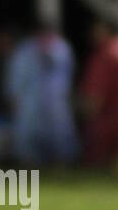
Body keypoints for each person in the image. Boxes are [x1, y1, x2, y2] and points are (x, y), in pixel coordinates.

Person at [5, 20, 79, 166]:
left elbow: (68, 75)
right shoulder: (24, 51)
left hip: (56, 101)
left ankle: (61, 165)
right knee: (28, 135)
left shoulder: (62, 49)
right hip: (30, 102)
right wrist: (14, 98)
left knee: (60, 134)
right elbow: (16, 78)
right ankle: (30, 166)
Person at [79, 19, 118, 176]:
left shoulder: (106, 54)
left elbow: (95, 96)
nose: (92, 35)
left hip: (112, 120)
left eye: (96, 31)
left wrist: (85, 117)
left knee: (100, 171)